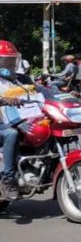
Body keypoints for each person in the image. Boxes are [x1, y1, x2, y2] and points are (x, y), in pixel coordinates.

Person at [0, 41, 28, 199]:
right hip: (2, 123)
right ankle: (8, 179)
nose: (9, 64)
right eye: (5, 60)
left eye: (11, 60)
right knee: (11, 134)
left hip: (14, 118)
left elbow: (37, 89)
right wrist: (4, 100)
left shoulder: (15, 79)